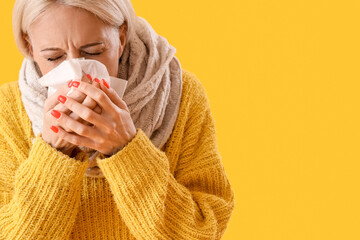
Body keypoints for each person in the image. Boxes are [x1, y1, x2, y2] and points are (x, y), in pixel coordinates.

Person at [0, 0, 235, 239]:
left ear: (121, 37)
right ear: (30, 47)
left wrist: (127, 149)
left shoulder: (178, 95)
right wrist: (52, 154)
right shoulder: (7, 110)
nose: (75, 74)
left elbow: (202, 231)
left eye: (92, 52)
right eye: (53, 57)